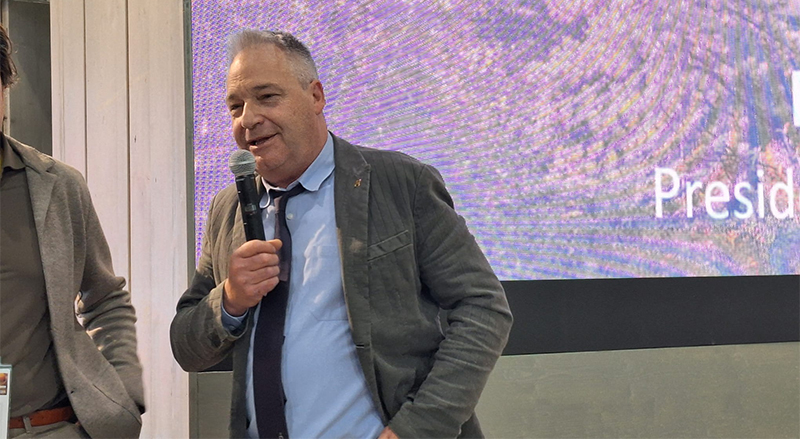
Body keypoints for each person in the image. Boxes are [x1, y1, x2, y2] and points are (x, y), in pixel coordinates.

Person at [170, 29, 512, 439]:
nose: (248, 119)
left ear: (315, 96)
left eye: (267, 97)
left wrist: (420, 428)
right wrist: (229, 300)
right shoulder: (228, 209)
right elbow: (186, 347)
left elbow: (483, 308)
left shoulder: (401, 183)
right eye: (235, 106)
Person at [0, 24, 144, 438]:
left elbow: (105, 298)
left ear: (5, 87)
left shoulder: (56, 185)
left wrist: (124, 397)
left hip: (49, 427)